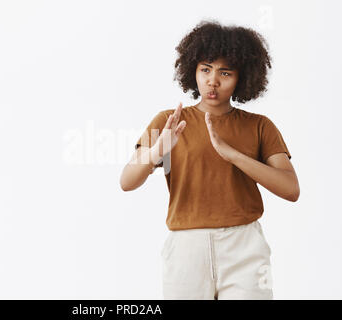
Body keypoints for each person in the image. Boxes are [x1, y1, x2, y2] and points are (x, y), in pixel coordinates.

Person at [119, 20, 300, 300]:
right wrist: (157, 152)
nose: (212, 81)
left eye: (225, 73)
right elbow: (127, 182)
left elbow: (291, 189)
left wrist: (233, 155)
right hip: (186, 247)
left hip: (244, 246)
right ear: (193, 70)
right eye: (205, 69)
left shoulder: (259, 126)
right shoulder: (170, 122)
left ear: (242, 78)